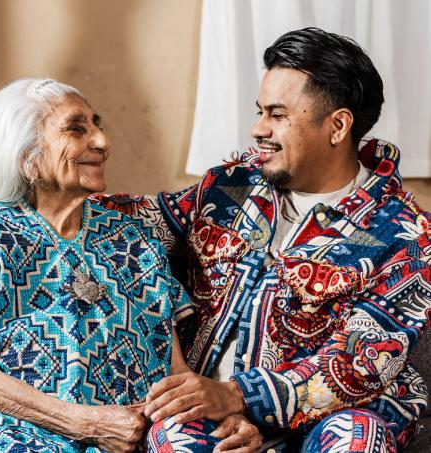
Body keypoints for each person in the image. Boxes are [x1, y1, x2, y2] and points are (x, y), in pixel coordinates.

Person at [97, 28, 431, 452]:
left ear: (337, 126)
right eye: (260, 111)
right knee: (173, 434)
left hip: (332, 421)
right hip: (214, 416)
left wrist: (238, 396)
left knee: (356, 438)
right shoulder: (230, 187)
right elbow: (136, 224)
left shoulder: (403, 233)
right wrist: (54, 189)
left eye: (278, 114)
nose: (258, 129)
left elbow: (359, 363)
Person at [0, 78, 194, 452]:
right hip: (19, 432)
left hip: (137, 435)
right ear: (28, 157)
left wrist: (224, 419)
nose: (103, 142)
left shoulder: (135, 237)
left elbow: (176, 372)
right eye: (76, 129)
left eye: (97, 125)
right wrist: (84, 422)